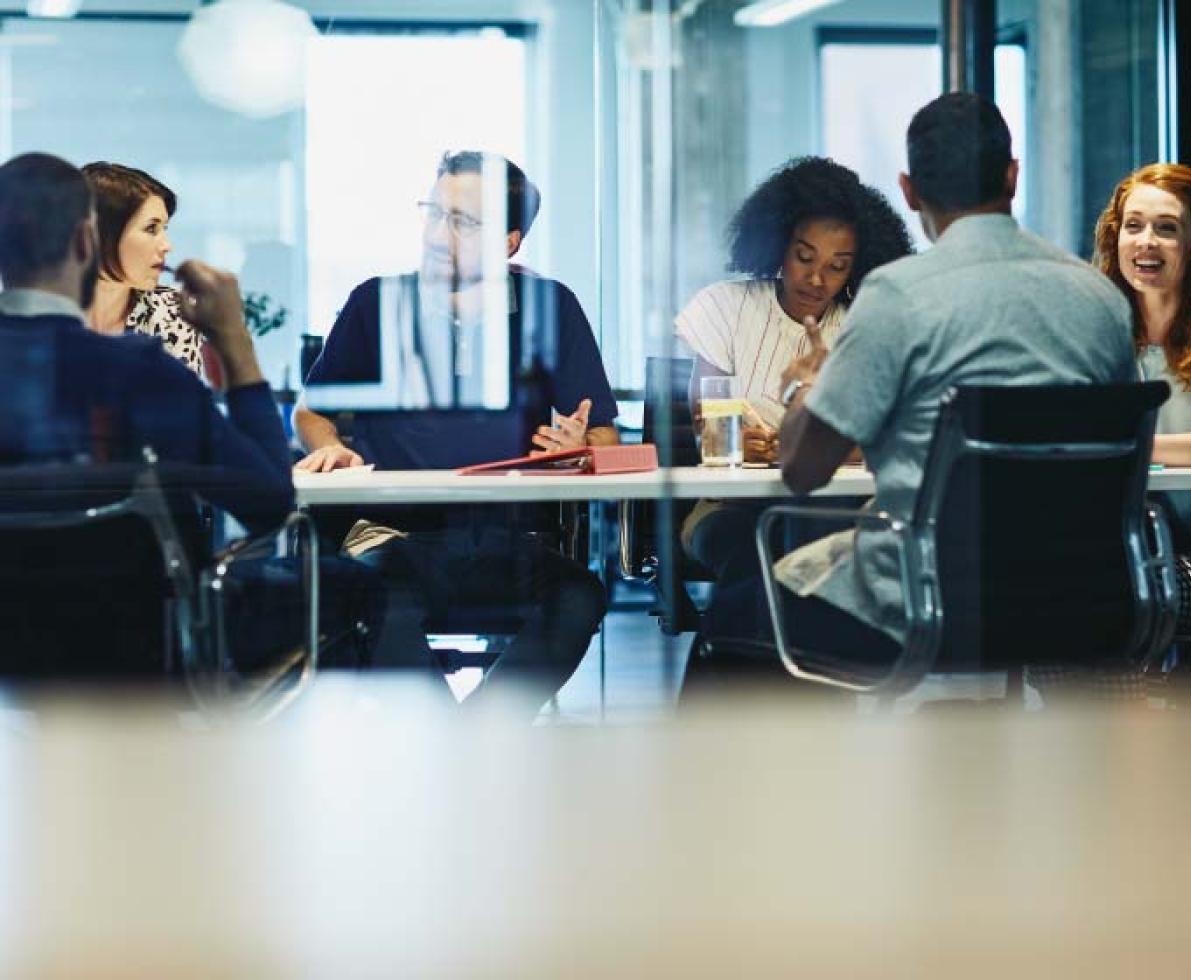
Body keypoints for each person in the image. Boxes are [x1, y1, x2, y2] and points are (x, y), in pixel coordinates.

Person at [716, 92, 1135, 677]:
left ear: (909, 191)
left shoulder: (898, 296)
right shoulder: (1101, 300)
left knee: (735, 614)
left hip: (925, 598)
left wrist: (808, 386)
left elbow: (802, 469)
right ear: (1012, 177)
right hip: (1081, 599)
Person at [294, 150, 615, 718]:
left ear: (511, 242)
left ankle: (470, 739)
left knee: (579, 598)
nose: (439, 236)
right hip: (392, 534)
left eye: (463, 222)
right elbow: (311, 412)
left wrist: (579, 451)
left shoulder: (552, 309)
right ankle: (460, 749)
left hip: (515, 538)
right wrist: (331, 447)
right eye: (434, 213)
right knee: (367, 598)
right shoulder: (376, 302)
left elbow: (606, 440)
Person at [675, 156, 912, 595]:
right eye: (805, 257)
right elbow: (709, 426)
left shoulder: (866, 322)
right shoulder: (723, 308)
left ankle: (809, 660)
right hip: (730, 507)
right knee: (752, 565)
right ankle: (740, 658)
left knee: (836, 556)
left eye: (838, 266)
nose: (817, 278)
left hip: (839, 507)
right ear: (778, 244)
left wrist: (791, 444)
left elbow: (887, 437)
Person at [82, 161, 204, 375]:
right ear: (100, 233)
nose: (167, 246)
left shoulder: (175, 314)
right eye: (151, 229)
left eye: (164, 229)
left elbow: (180, 406)